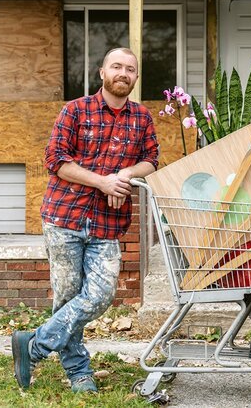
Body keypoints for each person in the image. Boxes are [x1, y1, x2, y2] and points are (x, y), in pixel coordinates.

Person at [12, 47, 159, 393]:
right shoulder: (75, 110)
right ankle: (79, 371)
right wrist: (103, 181)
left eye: (130, 69)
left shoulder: (142, 117)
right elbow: (56, 160)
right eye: (117, 67)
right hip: (65, 217)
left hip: (107, 223)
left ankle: (32, 345)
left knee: (100, 294)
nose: (123, 73)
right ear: (102, 72)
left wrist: (124, 175)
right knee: (67, 296)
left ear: (136, 78)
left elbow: (152, 159)